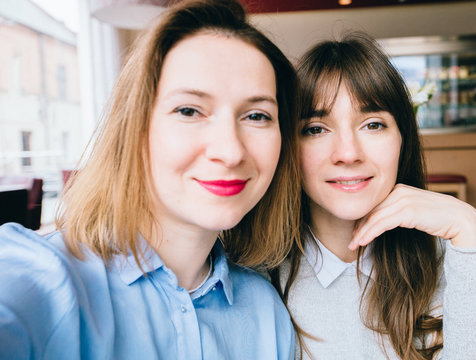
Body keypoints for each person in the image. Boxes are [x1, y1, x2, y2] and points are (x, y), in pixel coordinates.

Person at [0, 0, 301, 359]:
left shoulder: (267, 312)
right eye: (189, 110)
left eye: (256, 115)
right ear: (136, 129)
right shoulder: (46, 278)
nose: (231, 151)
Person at [271, 33, 476, 359]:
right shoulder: (257, 274)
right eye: (316, 128)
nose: (348, 153)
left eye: (373, 124)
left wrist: (468, 229)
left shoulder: (445, 263)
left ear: (402, 139)